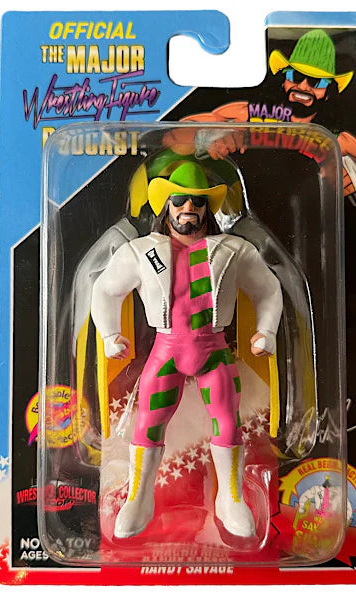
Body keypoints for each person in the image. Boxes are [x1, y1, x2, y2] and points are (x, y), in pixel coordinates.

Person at [91, 161, 283, 538]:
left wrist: (267, 331)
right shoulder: (141, 252)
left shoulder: (232, 250)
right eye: (180, 201)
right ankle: (138, 498)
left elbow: (268, 288)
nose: (188, 208)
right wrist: (110, 335)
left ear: (207, 207)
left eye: (197, 201)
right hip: (166, 350)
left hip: (213, 348)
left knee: (227, 420)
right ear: (167, 206)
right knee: (148, 421)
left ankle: (230, 498)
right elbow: (105, 290)